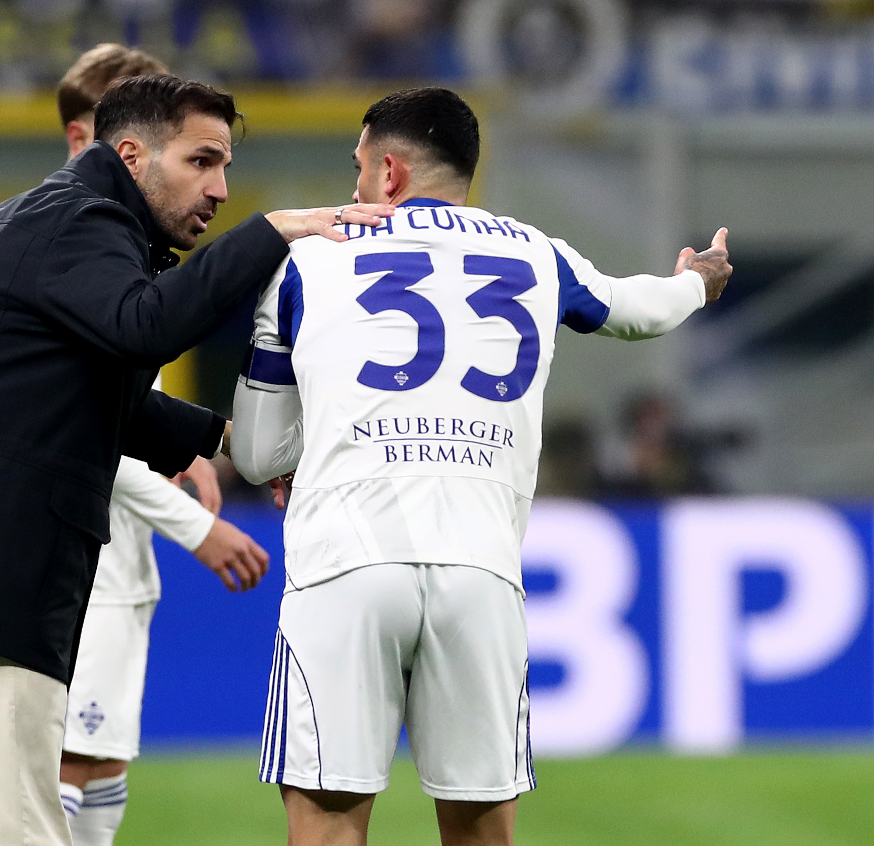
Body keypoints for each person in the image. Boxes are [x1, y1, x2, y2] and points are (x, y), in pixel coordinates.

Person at [0, 73, 393, 846]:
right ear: (131, 154)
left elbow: (94, 391)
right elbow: (144, 328)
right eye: (201, 161)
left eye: (225, 166)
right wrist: (274, 234)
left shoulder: (39, 221)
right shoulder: (81, 220)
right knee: (10, 834)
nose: (221, 187)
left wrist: (224, 440)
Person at [229, 87, 731, 846]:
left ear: (390, 173)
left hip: (347, 563)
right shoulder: (537, 253)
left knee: (328, 820)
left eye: (359, 168)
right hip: (481, 572)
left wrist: (304, 456)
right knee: (479, 828)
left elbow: (259, 453)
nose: (354, 187)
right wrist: (698, 280)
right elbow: (639, 309)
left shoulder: (308, 260)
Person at [53, 45, 269, 846]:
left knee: (101, 765)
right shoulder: (63, 238)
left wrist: (193, 444)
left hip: (120, 558)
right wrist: (196, 525)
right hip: (81, 552)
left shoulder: (118, 242)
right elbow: (71, 417)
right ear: (94, 138)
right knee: (73, 763)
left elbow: (116, 400)